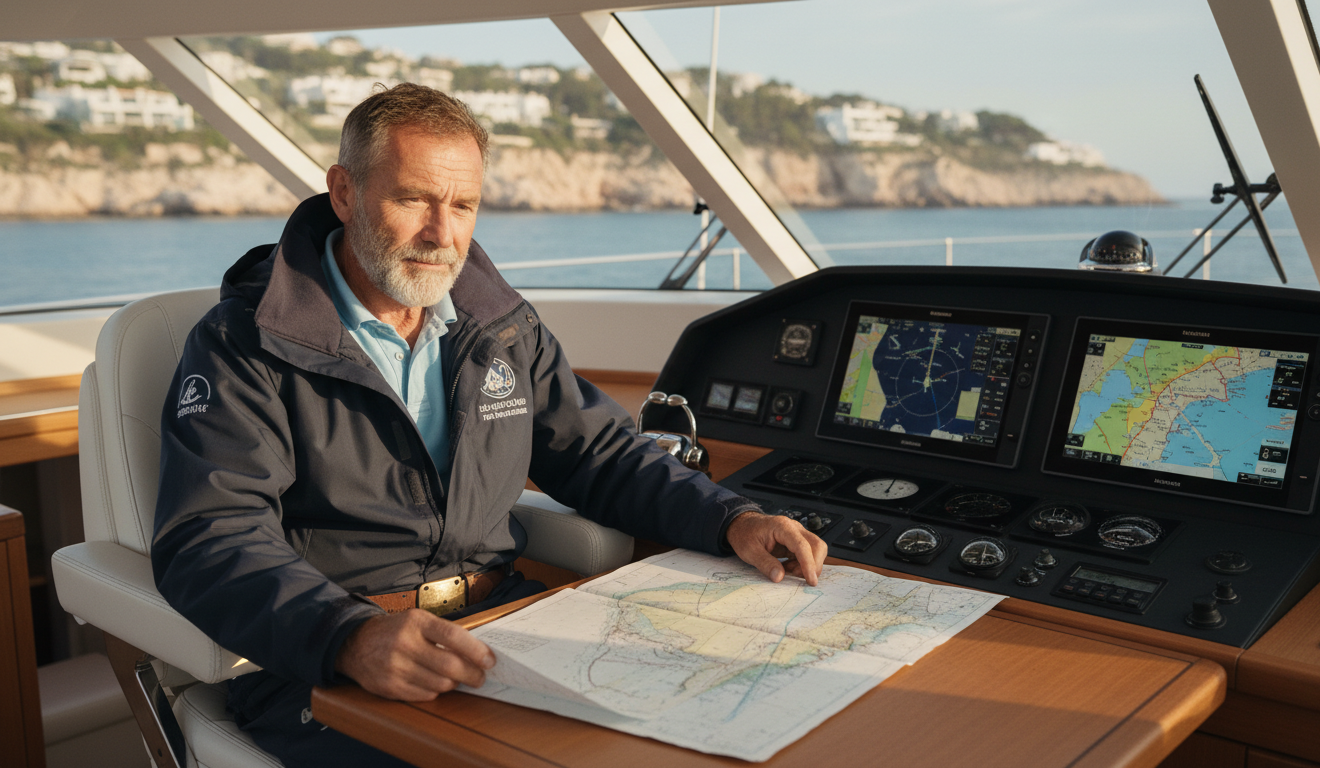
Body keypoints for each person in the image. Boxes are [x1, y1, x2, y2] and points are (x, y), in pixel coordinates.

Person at [151, 83, 826, 767]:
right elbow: (210, 538)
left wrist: (729, 519)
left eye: (463, 205)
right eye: (412, 199)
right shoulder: (244, 344)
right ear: (345, 192)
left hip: (500, 618)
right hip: (321, 660)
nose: (441, 234)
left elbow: (598, 453)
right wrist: (347, 635)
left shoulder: (498, 326)